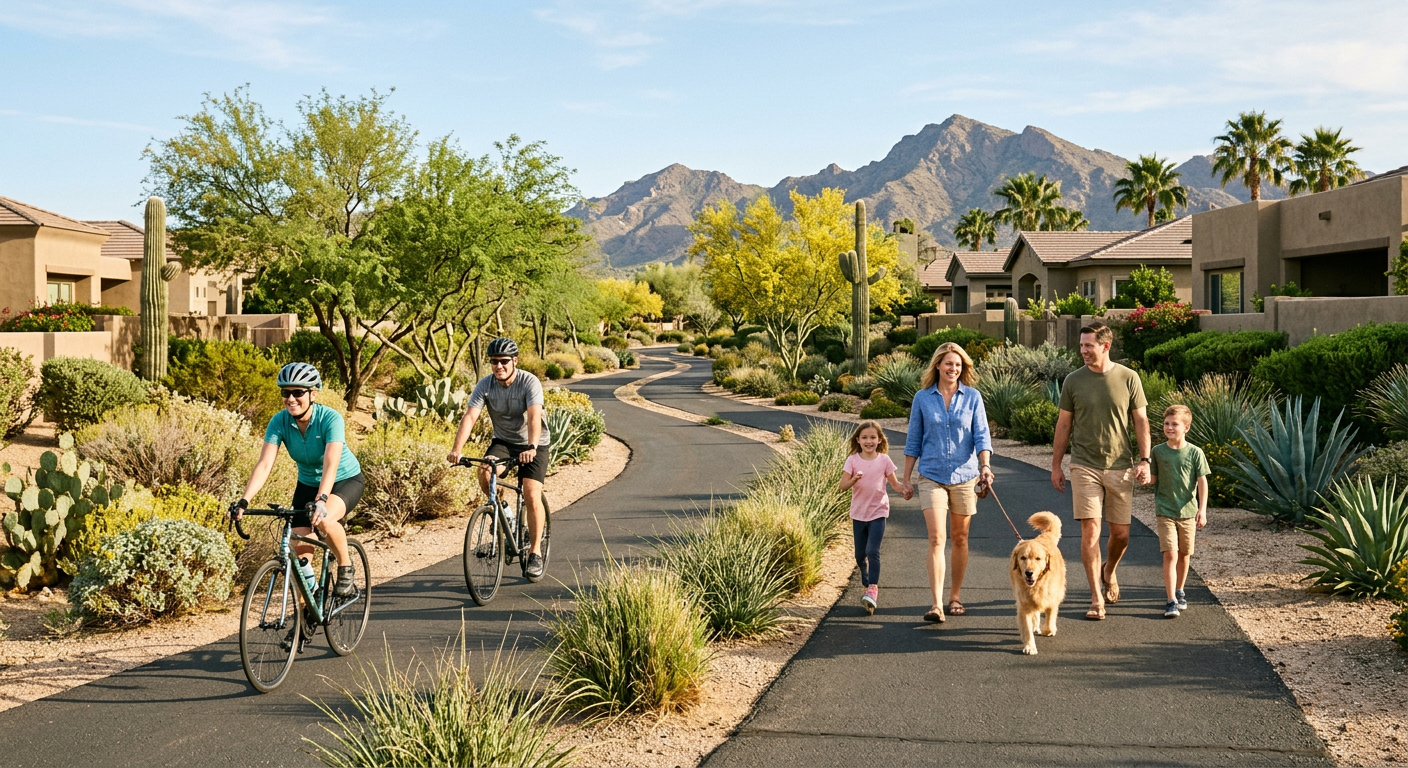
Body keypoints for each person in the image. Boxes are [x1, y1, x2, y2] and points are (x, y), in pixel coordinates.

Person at [231, 362, 364, 598]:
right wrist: (244, 501)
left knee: (324, 520)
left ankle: (346, 566)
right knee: (300, 554)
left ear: (313, 394)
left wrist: (322, 500)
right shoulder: (279, 421)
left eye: (298, 392)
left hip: (344, 480)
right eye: (286, 392)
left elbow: (330, 464)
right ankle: (310, 602)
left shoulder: (330, 419)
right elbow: (264, 464)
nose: (291, 398)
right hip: (307, 484)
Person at [1051, 320, 1151, 621]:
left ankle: (1109, 569)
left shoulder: (1129, 378)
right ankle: (1096, 599)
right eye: (1081, 346)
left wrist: (1145, 460)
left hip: (1120, 465)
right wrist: (1056, 465)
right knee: (1090, 531)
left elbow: (1141, 422)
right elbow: (1064, 424)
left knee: (1120, 534)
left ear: (1105, 346)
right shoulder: (1073, 381)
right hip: (1084, 465)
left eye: (1088, 346)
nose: (1083, 351)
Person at [902, 341, 994, 623]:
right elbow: (913, 439)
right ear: (938, 366)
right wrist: (905, 478)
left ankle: (955, 596)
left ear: (962, 368)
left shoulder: (973, 397)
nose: (953, 368)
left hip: (966, 476)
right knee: (936, 538)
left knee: (960, 538)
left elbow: (982, 434)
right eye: (948, 363)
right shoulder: (922, 398)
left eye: (958, 364)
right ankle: (937, 604)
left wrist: (985, 466)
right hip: (931, 475)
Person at [448, 337, 552, 582]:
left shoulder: (529, 382)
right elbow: (470, 417)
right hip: (504, 442)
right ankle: (505, 512)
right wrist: (456, 449)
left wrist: (532, 446)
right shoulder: (485, 385)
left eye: (504, 361)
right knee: (485, 469)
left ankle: (535, 552)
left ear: (514, 361)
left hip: (534, 443)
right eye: (494, 362)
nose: (499, 366)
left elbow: (534, 416)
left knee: (530, 492)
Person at [840, 420, 908, 615]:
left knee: (873, 551)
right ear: (858, 440)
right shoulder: (852, 460)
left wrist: (905, 489)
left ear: (879, 440)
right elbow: (842, 485)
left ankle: (873, 588)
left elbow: (894, 484)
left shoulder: (884, 460)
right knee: (859, 555)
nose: (868, 441)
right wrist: (853, 480)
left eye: (872, 437)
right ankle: (866, 577)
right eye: (864, 438)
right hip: (859, 514)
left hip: (879, 511)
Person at [1149, 404, 1209, 618]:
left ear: (1186, 427)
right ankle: (1170, 600)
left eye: (1175, 424)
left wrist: (1202, 510)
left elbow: (1202, 482)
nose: (1169, 427)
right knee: (1170, 554)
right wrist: (1143, 477)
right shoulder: (1157, 451)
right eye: (1166, 424)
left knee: (1184, 555)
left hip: (1188, 512)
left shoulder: (1195, 452)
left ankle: (1180, 590)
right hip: (1165, 510)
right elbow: (1153, 479)